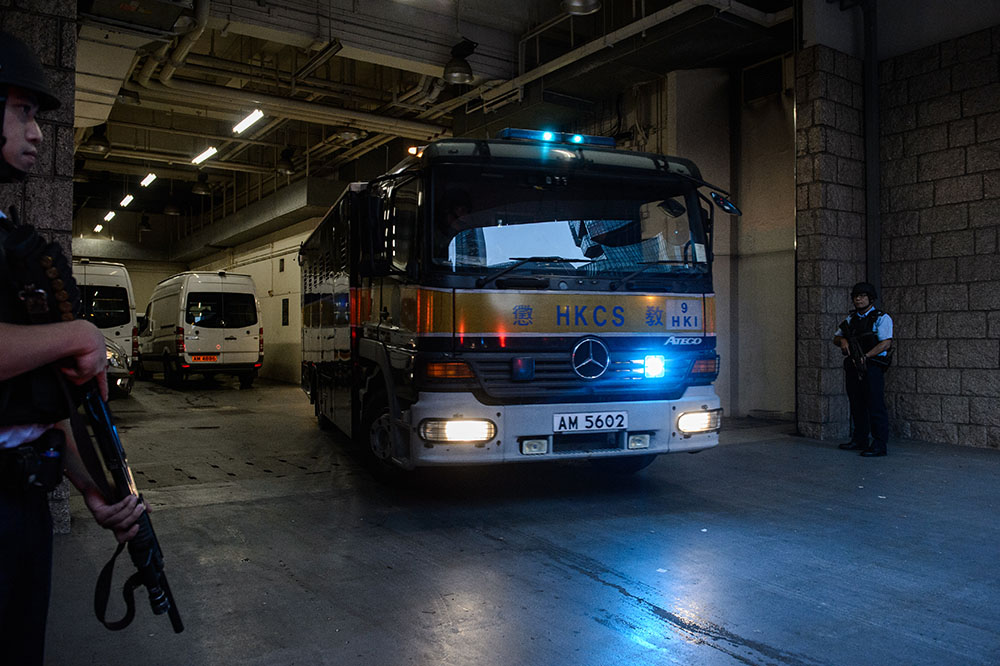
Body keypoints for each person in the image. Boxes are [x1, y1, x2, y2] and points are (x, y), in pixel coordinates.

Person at [0, 30, 145, 665]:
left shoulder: (8, 238)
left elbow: (33, 408)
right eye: (22, 111)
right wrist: (78, 334)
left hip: (22, 502)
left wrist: (93, 487)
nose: (37, 132)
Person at [832, 281, 893, 457]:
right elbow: (837, 338)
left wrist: (866, 356)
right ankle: (860, 439)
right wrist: (843, 341)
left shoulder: (881, 318)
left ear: (870, 298)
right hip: (854, 366)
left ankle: (879, 444)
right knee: (856, 403)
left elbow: (885, 343)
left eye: (862, 296)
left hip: (872, 365)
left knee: (875, 405)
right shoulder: (851, 319)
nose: (858, 299)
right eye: (856, 297)